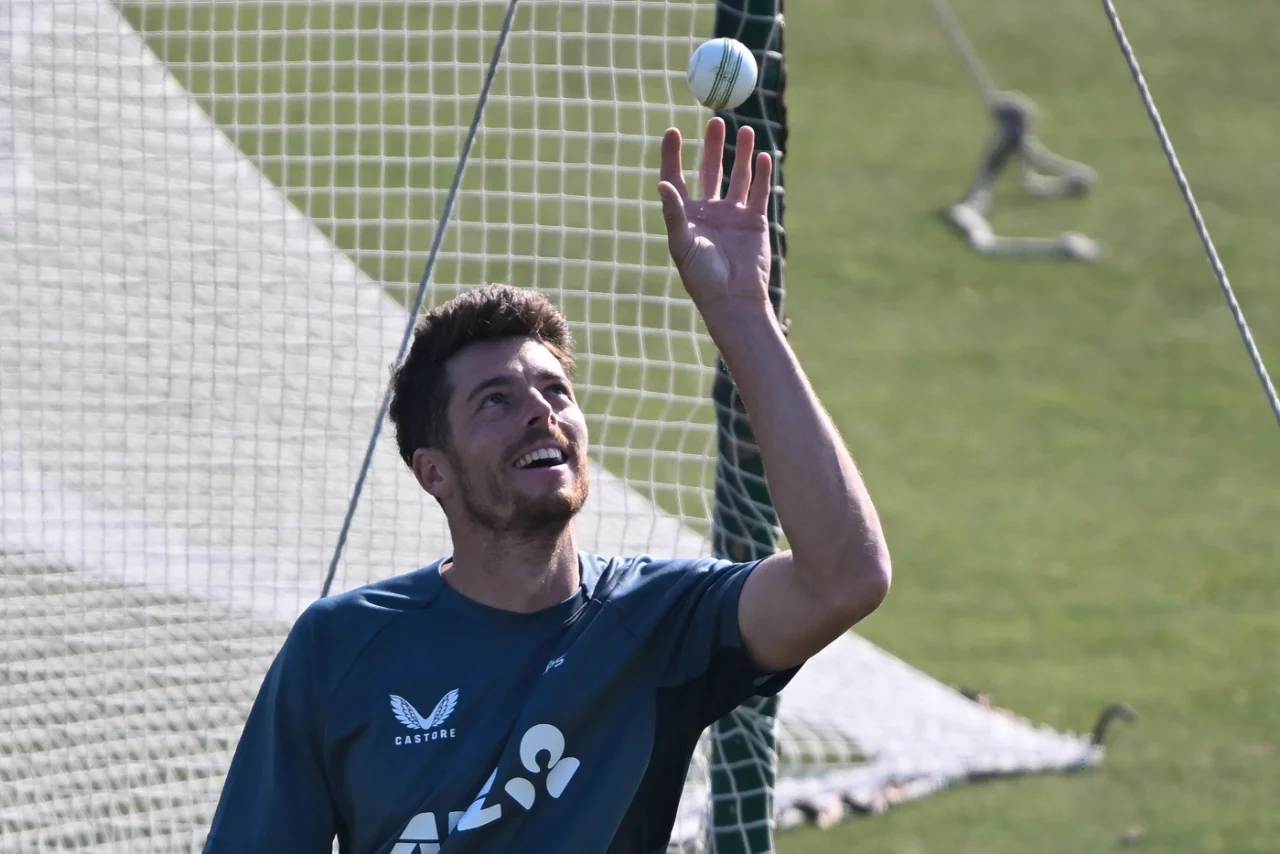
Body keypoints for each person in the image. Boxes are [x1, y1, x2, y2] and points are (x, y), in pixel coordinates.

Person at [202, 117, 890, 854]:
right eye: (495, 400)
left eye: (555, 392)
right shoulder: (339, 646)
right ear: (432, 470)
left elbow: (844, 578)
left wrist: (743, 313)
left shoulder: (654, 622)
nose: (541, 412)